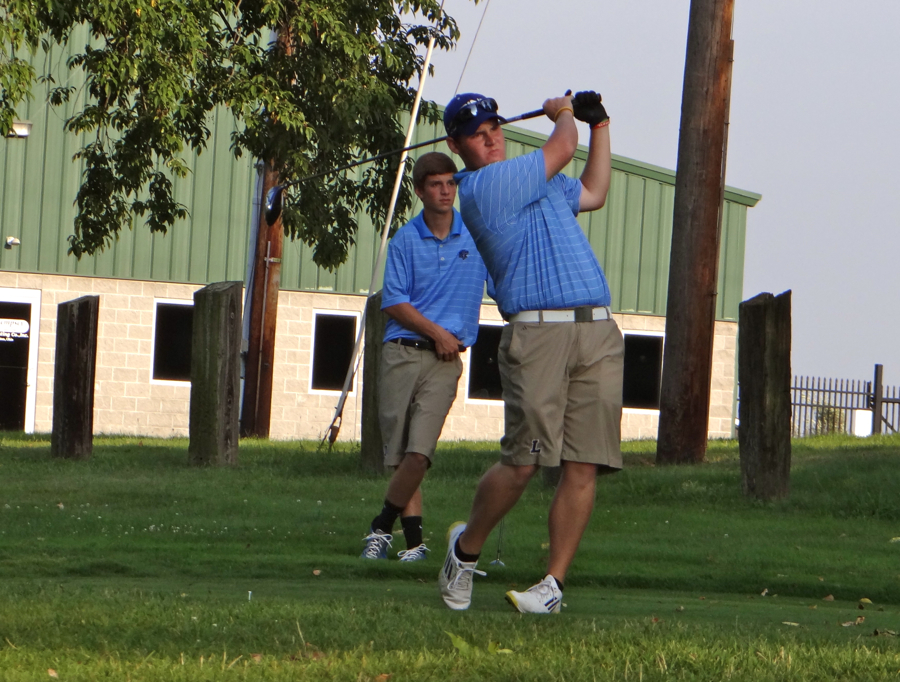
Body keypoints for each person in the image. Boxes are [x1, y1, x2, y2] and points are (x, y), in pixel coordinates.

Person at [437, 91, 622, 613]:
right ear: (457, 145)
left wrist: (599, 124)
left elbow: (593, 191)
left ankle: (553, 587)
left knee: (584, 463)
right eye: (478, 132)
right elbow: (563, 148)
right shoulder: (483, 187)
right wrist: (561, 110)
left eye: (495, 125)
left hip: (595, 328)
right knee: (524, 462)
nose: (492, 136)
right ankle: (465, 549)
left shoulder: (534, 181)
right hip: (537, 335)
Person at [360, 151, 489, 563]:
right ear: (419, 191)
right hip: (402, 351)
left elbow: (482, 174)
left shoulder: (476, 234)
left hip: (444, 362)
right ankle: (414, 545)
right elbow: (395, 302)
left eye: (451, 182)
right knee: (399, 457)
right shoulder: (404, 240)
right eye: (435, 184)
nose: (446, 190)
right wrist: (437, 332)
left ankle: (380, 527)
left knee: (419, 453)